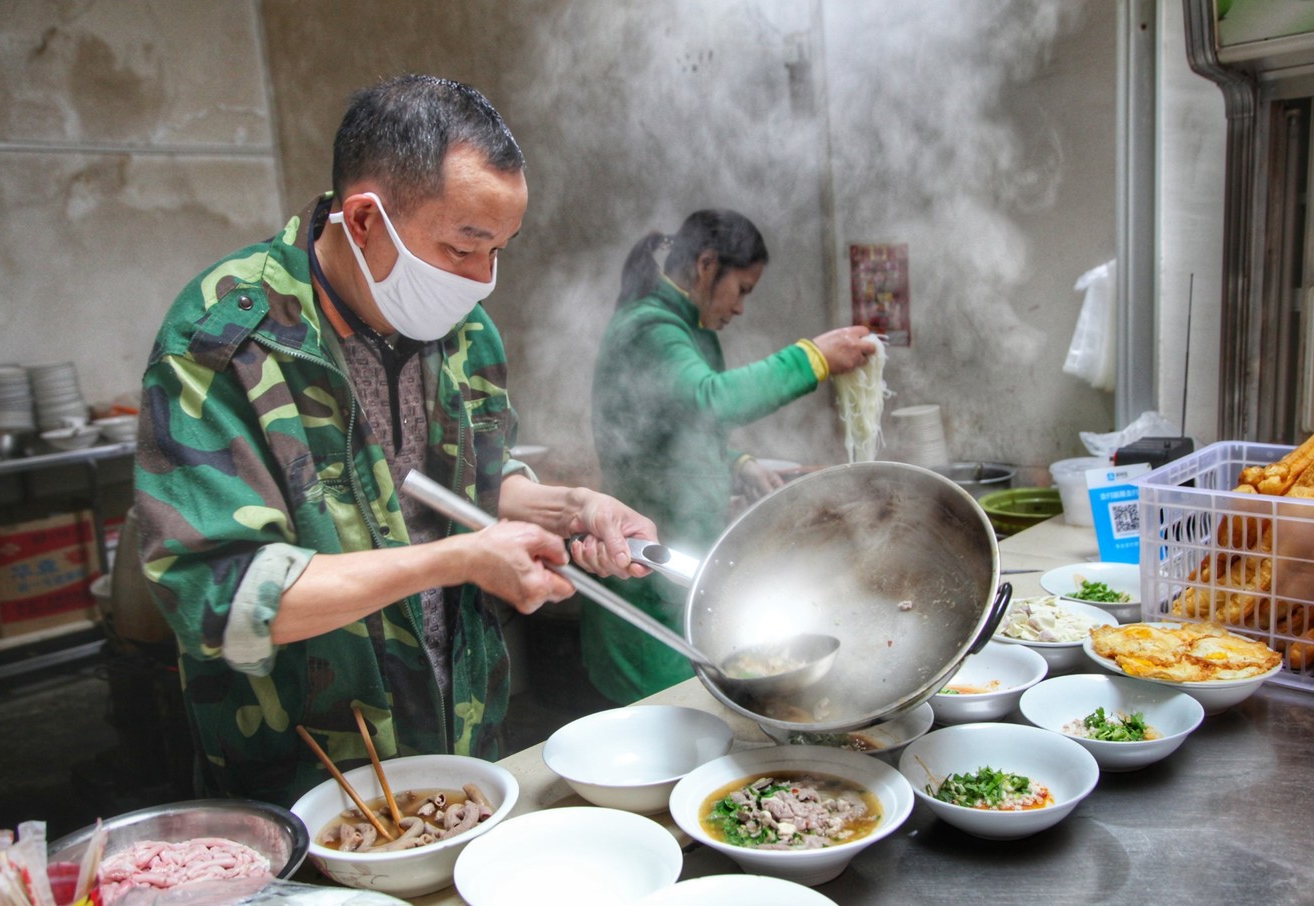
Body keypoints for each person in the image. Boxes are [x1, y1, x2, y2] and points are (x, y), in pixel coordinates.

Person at [133, 74, 655, 807]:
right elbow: (223, 598)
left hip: (463, 738)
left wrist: (572, 509)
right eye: (463, 247)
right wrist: (461, 558)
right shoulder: (228, 340)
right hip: (314, 771)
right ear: (365, 219)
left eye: (500, 249)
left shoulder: (462, 330)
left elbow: (481, 479)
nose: (482, 282)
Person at [583, 210, 877, 704]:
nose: (741, 308)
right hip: (645, 574)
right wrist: (814, 358)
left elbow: (680, 428)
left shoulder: (690, 329)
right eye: (742, 289)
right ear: (705, 264)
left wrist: (737, 464)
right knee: (665, 724)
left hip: (682, 565)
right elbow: (708, 399)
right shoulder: (648, 328)